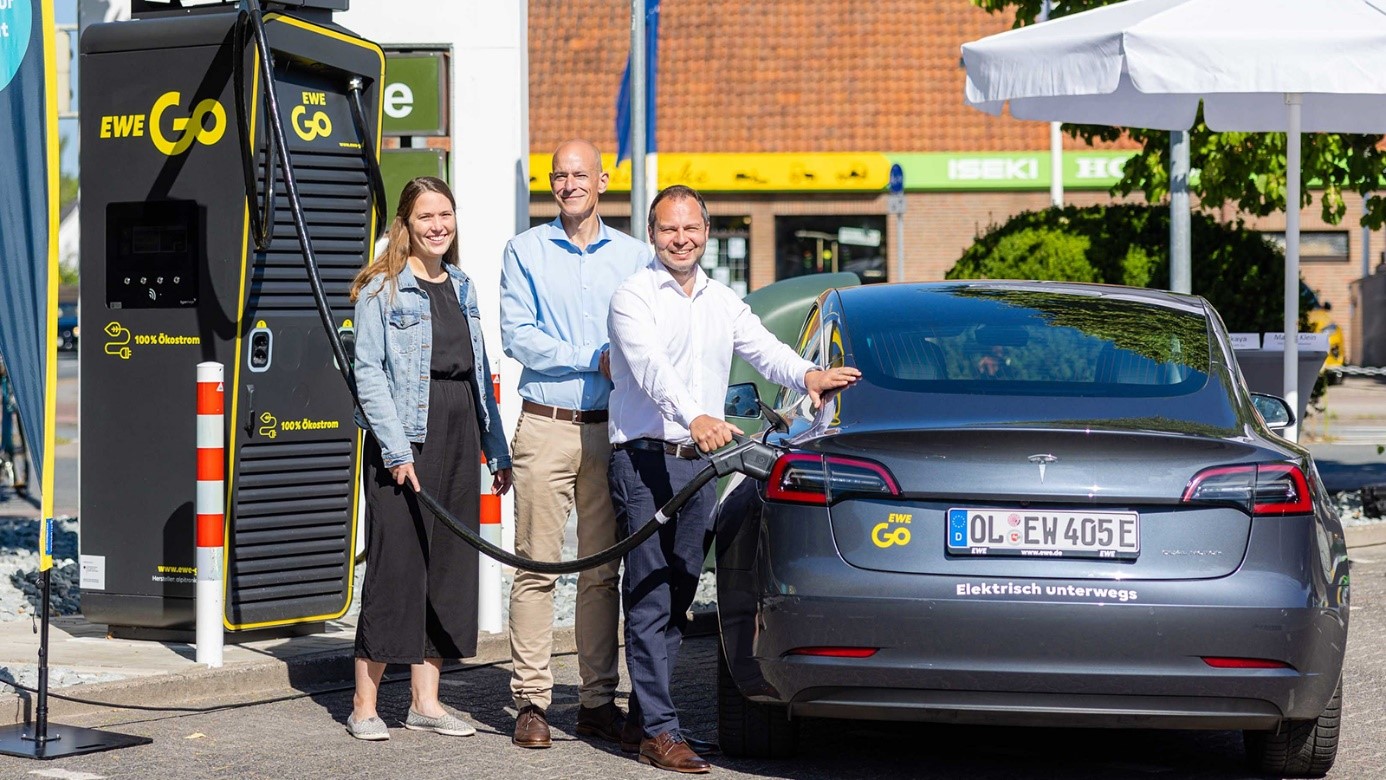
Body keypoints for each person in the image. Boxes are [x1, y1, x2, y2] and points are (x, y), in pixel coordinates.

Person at [606, 185, 860, 772]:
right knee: (648, 594)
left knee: (680, 589)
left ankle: (646, 721)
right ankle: (661, 731)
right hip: (646, 456)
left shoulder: (722, 300)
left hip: (701, 461)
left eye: (690, 228)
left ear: (706, 230)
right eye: (669, 229)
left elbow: (765, 350)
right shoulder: (633, 296)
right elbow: (649, 368)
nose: (681, 239)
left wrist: (810, 377)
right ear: (652, 233)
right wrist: (692, 413)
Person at [346, 176, 513, 741]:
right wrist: (395, 449)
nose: (438, 225)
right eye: (426, 217)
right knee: (397, 567)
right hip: (407, 433)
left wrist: (496, 447)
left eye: (446, 214)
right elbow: (367, 373)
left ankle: (426, 701)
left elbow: (479, 373)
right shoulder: (382, 289)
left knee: (448, 568)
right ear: (405, 225)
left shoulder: (462, 285)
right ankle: (364, 706)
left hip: (460, 425)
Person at [500, 139, 651, 749]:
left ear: (602, 181)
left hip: (610, 431)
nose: (568, 184)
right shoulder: (525, 251)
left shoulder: (637, 257)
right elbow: (519, 337)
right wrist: (594, 358)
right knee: (536, 567)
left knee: (600, 573)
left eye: (579, 174)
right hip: (545, 425)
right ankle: (532, 702)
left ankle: (594, 702)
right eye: (559, 176)